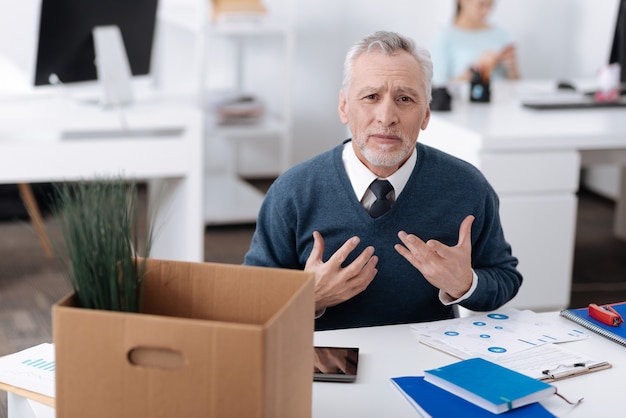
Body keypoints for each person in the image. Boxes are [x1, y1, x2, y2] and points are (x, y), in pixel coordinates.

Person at [244, 30, 522, 330]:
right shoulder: (293, 192)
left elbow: (504, 278)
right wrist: (308, 297)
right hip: (323, 365)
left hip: (426, 362)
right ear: (343, 107)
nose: (387, 116)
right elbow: (251, 299)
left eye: (405, 99)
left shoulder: (467, 187)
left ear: (426, 115)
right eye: (371, 97)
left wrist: (466, 283)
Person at [431, 0, 520, 86]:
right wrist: (475, 70)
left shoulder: (502, 34)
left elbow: (516, 84)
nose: (486, 11)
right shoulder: (444, 37)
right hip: (466, 100)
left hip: (505, 99)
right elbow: (438, 89)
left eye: (490, 5)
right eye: (481, 4)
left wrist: (512, 67)